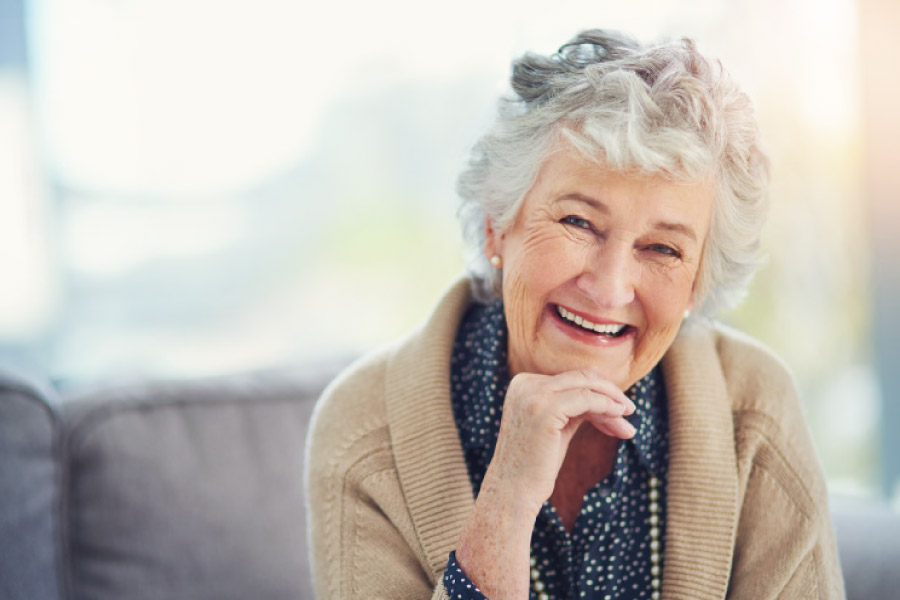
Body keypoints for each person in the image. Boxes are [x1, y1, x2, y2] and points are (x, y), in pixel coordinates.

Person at [305, 29, 845, 599]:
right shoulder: (366, 431)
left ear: (696, 284)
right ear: (497, 224)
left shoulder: (755, 409)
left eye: (663, 249)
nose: (609, 289)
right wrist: (506, 504)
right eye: (578, 223)